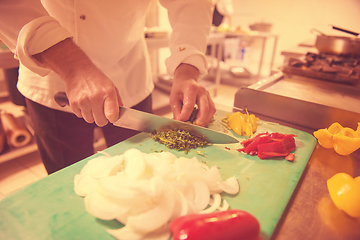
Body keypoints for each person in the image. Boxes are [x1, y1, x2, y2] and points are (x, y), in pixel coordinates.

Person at [0, 0, 216, 174]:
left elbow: (192, 3)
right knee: (68, 179)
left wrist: (187, 68)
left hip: (130, 74)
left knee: (139, 172)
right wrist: (73, 68)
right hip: (54, 78)